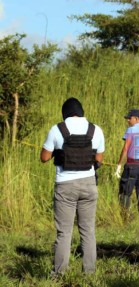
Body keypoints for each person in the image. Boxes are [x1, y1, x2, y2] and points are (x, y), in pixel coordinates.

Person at [40, 97, 105, 276]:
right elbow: (99, 159)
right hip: (89, 185)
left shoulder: (57, 129)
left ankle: (60, 273)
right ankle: (89, 273)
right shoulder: (96, 130)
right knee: (88, 231)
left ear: (65, 113)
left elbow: (44, 158)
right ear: (82, 112)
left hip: (65, 186)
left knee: (64, 233)